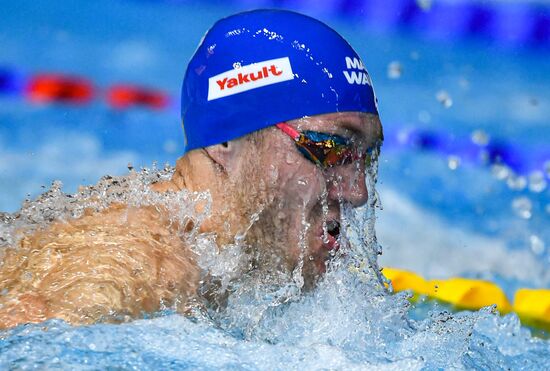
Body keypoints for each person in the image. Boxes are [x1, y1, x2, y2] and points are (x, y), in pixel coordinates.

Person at [0, 9, 383, 329]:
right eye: (330, 149)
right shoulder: (147, 266)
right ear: (225, 142)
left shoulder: (219, 261)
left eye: (366, 157)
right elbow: (28, 329)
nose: (357, 191)